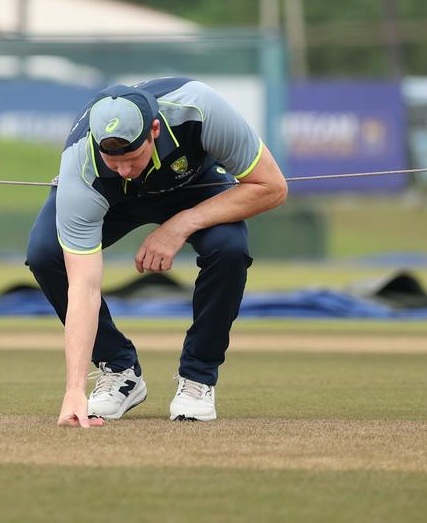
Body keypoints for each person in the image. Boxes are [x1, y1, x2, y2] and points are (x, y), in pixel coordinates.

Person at [25, 77, 287, 427]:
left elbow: (272, 187)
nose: (123, 170)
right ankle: (119, 370)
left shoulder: (200, 108)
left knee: (229, 249)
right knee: (46, 254)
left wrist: (181, 224)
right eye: (112, 160)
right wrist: (73, 388)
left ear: (154, 130)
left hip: (194, 187)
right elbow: (84, 287)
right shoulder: (80, 165)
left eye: (132, 158)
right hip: (113, 200)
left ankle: (198, 378)